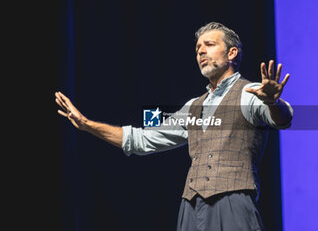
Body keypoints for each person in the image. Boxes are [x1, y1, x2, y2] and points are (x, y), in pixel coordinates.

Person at [55, 22, 293, 231]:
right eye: (198, 48)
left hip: (233, 201)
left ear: (231, 53)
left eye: (209, 44)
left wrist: (272, 101)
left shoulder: (249, 93)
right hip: (191, 206)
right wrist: (87, 125)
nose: (200, 50)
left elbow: (283, 119)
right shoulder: (192, 107)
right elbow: (142, 140)